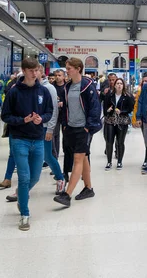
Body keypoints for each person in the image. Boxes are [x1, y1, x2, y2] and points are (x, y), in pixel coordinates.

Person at [1, 58, 53, 231]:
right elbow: (5, 116)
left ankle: (21, 195)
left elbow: (49, 112)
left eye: (36, 69)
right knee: (24, 177)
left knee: (35, 177)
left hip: (37, 138)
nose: (34, 73)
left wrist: (41, 119)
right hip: (19, 139)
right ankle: (24, 213)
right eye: (30, 70)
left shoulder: (43, 91)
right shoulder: (14, 92)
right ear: (23, 71)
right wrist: (22, 120)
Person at [53, 57, 102, 208]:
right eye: (66, 69)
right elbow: (66, 107)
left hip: (83, 128)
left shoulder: (87, 85)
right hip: (71, 127)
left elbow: (95, 107)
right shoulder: (67, 86)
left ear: (78, 68)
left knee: (78, 159)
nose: (66, 71)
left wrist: (89, 126)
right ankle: (88, 188)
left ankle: (67, 195)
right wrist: (65, 124)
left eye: (69, 69)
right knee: (84, 157)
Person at [36, 65, 66, 195]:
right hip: (30, 128)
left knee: (48, 155)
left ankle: (60, 178)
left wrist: (50, 128)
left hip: (44, 127)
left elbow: (54, 110)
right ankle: (22, 188)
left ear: (41, 73)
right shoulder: (29, 88)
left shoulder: (49, 88)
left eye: (35, 71)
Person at [103, 78, 134, 170]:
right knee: (109, 142)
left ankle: (119, 161)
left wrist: (122, 111)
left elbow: (130, 108)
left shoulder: (127, 96)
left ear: (123, 85)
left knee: (120, 142)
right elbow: (105, 107)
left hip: (122, 121)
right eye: (117, 83)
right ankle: (109, 162)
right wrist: (108, 111)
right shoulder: (109, 95)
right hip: (110, 120)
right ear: (114, 85)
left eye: (121, 83)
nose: (119, 85)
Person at [133, 74, 147, 168]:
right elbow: (137, 107)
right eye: (144, 81)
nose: (145, 82)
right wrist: (136, 119)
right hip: (143, 120)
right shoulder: (140, 93)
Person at [52, 69, 67, 162]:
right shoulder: (51, 87)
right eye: (56, 75)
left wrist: (63, 103)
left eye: (59, 75)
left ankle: (67, 156)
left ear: (64, 76)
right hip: (55, 115)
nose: (57, 77)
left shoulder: (67, 87)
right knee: (55, 136)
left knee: (66, 137)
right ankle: (54, 158)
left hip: (65, 115)